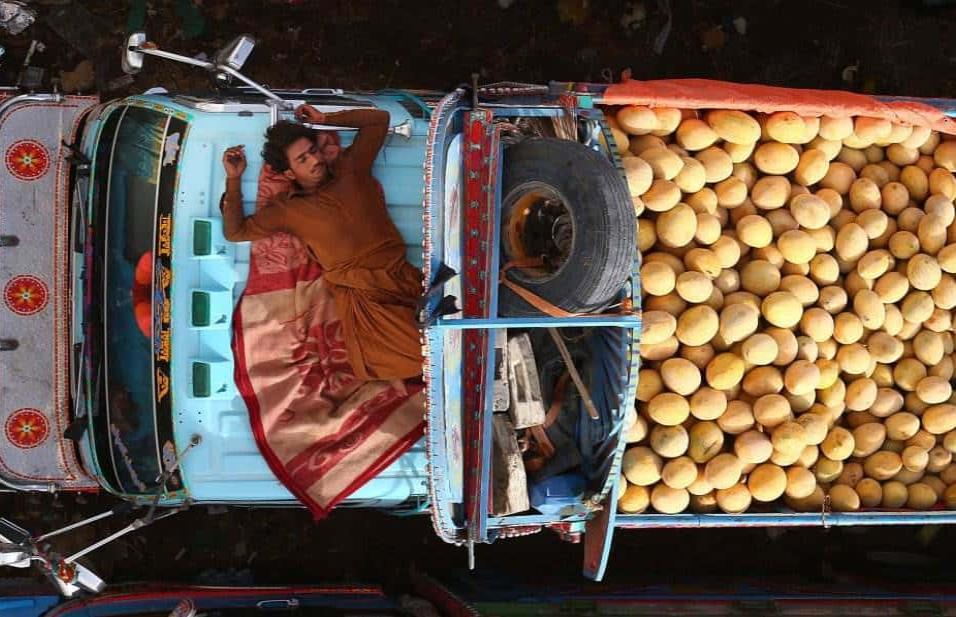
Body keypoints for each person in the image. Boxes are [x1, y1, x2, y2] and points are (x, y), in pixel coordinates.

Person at [220, 105, 422, 381]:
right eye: (302, 159)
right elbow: (236, 232)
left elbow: (378, 120)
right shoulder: (289, 210)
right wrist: (233, 180)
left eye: (312, 151)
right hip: (366, 303)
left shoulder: (350, 168)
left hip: (402, 279)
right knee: (424, 351)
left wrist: (325, 120)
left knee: (452, 322)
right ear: (289, 173)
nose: (314, 160)